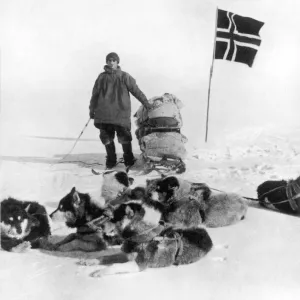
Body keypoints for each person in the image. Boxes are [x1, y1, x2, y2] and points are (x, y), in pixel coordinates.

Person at [89, 52, 152, 169]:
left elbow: (136, 91)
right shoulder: (101, 77)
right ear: (106, 62)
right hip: (105, 114)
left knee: (124, 138)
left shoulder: (125, 76)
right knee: (107, 138)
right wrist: (92, 110)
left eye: (113, 60)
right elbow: (95, 95)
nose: (111, 62)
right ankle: (111, 160)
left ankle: (128, 160)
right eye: (109, 60)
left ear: (117, 62)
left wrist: (146, 103)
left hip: (120, 113)